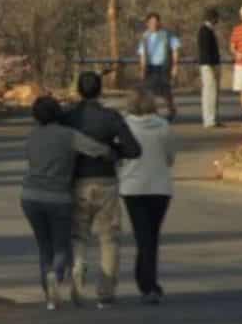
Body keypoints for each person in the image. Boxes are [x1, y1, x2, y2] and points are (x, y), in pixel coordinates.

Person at [22, 95, 117, 310]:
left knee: (44, 246)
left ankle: (50, 296)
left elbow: (30, 158)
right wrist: (113, 153)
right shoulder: (68, 135)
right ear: (58, 113)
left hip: (30, 196)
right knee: (61, 246)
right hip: (58, 197)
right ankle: (57, 275)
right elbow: (97, 149)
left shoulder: (32, 136)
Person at [61, 71, 143, 308]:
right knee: (109, 238)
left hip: (77, 181)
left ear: (78, 91)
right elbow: (133, 149)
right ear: (100, 90)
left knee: (78, 234)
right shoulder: (110, 117)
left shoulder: (68, 118)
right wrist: (113, 150)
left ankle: (77, 273)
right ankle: (105, 292)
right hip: (106, 180)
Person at [118, 89, 179, 304]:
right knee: (151, 236)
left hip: (132, 187)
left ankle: (147, 283)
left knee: (143, 236)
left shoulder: (124, 127)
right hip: (160, 187)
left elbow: (119, 156)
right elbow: (170, 157)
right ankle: (148, 282)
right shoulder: (163, 126)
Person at [136, 12, 181, 120]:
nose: (154, 24)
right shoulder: (145, 37)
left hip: (164, 66)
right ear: (147, 23)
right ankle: (153, 112)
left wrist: (175, 66)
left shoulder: (167, 34)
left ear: (160, 22)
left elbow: (175, 50)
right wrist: (142, 70)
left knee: (166, 91)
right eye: (151, 22)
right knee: (149, 91)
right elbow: (142, 54)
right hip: (150, 67)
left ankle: (171, 110)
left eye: (156, 22)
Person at [197, 8, 222, 127]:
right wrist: (211, 65)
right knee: (209, 92)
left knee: (212, 92)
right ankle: (209, 120)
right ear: (213, 18)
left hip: (210, 64)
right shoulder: (205, 30)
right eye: (216, 18)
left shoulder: (208, 30)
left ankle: (213, 118)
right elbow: (205, 50)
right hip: (208, 66)